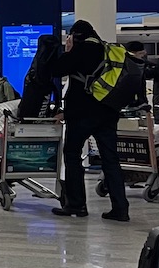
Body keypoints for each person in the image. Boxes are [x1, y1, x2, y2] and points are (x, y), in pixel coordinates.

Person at [45, 20, 129, 221]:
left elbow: (54, 69)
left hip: (81, 114)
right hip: (108, 113)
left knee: (72, 154)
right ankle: (121, 208)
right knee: (110, 160)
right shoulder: (107, 50)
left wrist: (67, 50)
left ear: (75, 36)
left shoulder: (80, 50)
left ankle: (76, 205)